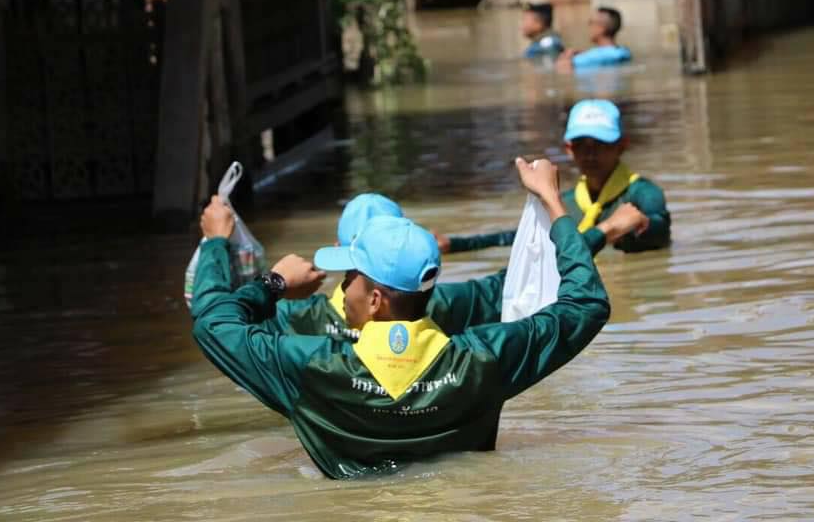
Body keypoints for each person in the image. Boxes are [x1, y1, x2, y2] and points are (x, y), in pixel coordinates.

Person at [189, 158, 610, 479]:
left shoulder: (312, 367)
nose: (343, 285)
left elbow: (213, 321)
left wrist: (267, 280)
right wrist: (554, 205)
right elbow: (584, 305)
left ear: (374, 300)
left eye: (350, 276)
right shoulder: (484, 358)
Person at [196, 192, 508, 342]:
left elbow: (215, 318)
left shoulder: (295, 320)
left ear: (338, 251)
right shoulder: (446, 305)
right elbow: (515, 285)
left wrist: (217, 244)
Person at [435, 99, 670, 255]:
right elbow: (519, 239)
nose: (590, 154)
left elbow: (661, 228)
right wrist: (455, 245)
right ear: (568, 149)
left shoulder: (643, 194)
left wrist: (643, 227)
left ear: (622, 145)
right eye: (581, 145)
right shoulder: (564, 202)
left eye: (601, 144)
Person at [556, 6, 631, 71]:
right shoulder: (624, 52)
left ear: (601, 28)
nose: (588, 26)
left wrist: (566, 56)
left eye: (590, 22)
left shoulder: (584, 59)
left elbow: (563, 66)